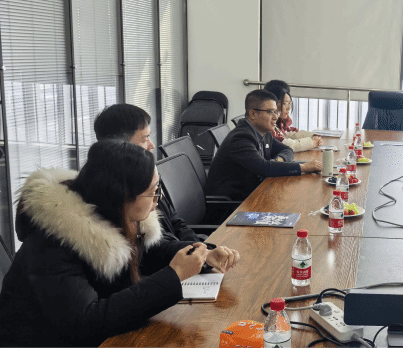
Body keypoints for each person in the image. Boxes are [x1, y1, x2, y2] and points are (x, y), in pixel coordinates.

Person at [0, 140, 238, 347]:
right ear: (122, 196)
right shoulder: (53, 242)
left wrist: (201, 254)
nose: (158, 200)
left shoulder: (107, 210)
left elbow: (149, 250)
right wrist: (174, 276)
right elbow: (88, 321)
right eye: (153, 192)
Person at [94, 104, 241, 256]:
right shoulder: (112, 191)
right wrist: (198, 253)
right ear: (120, 146)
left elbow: (175, 221)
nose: (151, 145)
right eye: (145, 138)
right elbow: (154, 250)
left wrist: (201, 248)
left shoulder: (147, 174)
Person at [206, 90, 322, 201]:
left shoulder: (264, 132)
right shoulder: (241, 138)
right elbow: (264, 168)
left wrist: (278, 160)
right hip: (232, 204)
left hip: (253, 192)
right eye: (270, 112)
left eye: (276, 111)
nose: (276, 117)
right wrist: (303, 167)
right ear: (253, 114)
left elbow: (287, 150)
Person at [267, 86, 322, 152]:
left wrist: (313, 136)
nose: (288, 108)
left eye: (289, 103)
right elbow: (288, 145)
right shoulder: (269, 126)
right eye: (284, 103)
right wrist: (312, 142)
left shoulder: (280, 122)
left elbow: (290, 134)